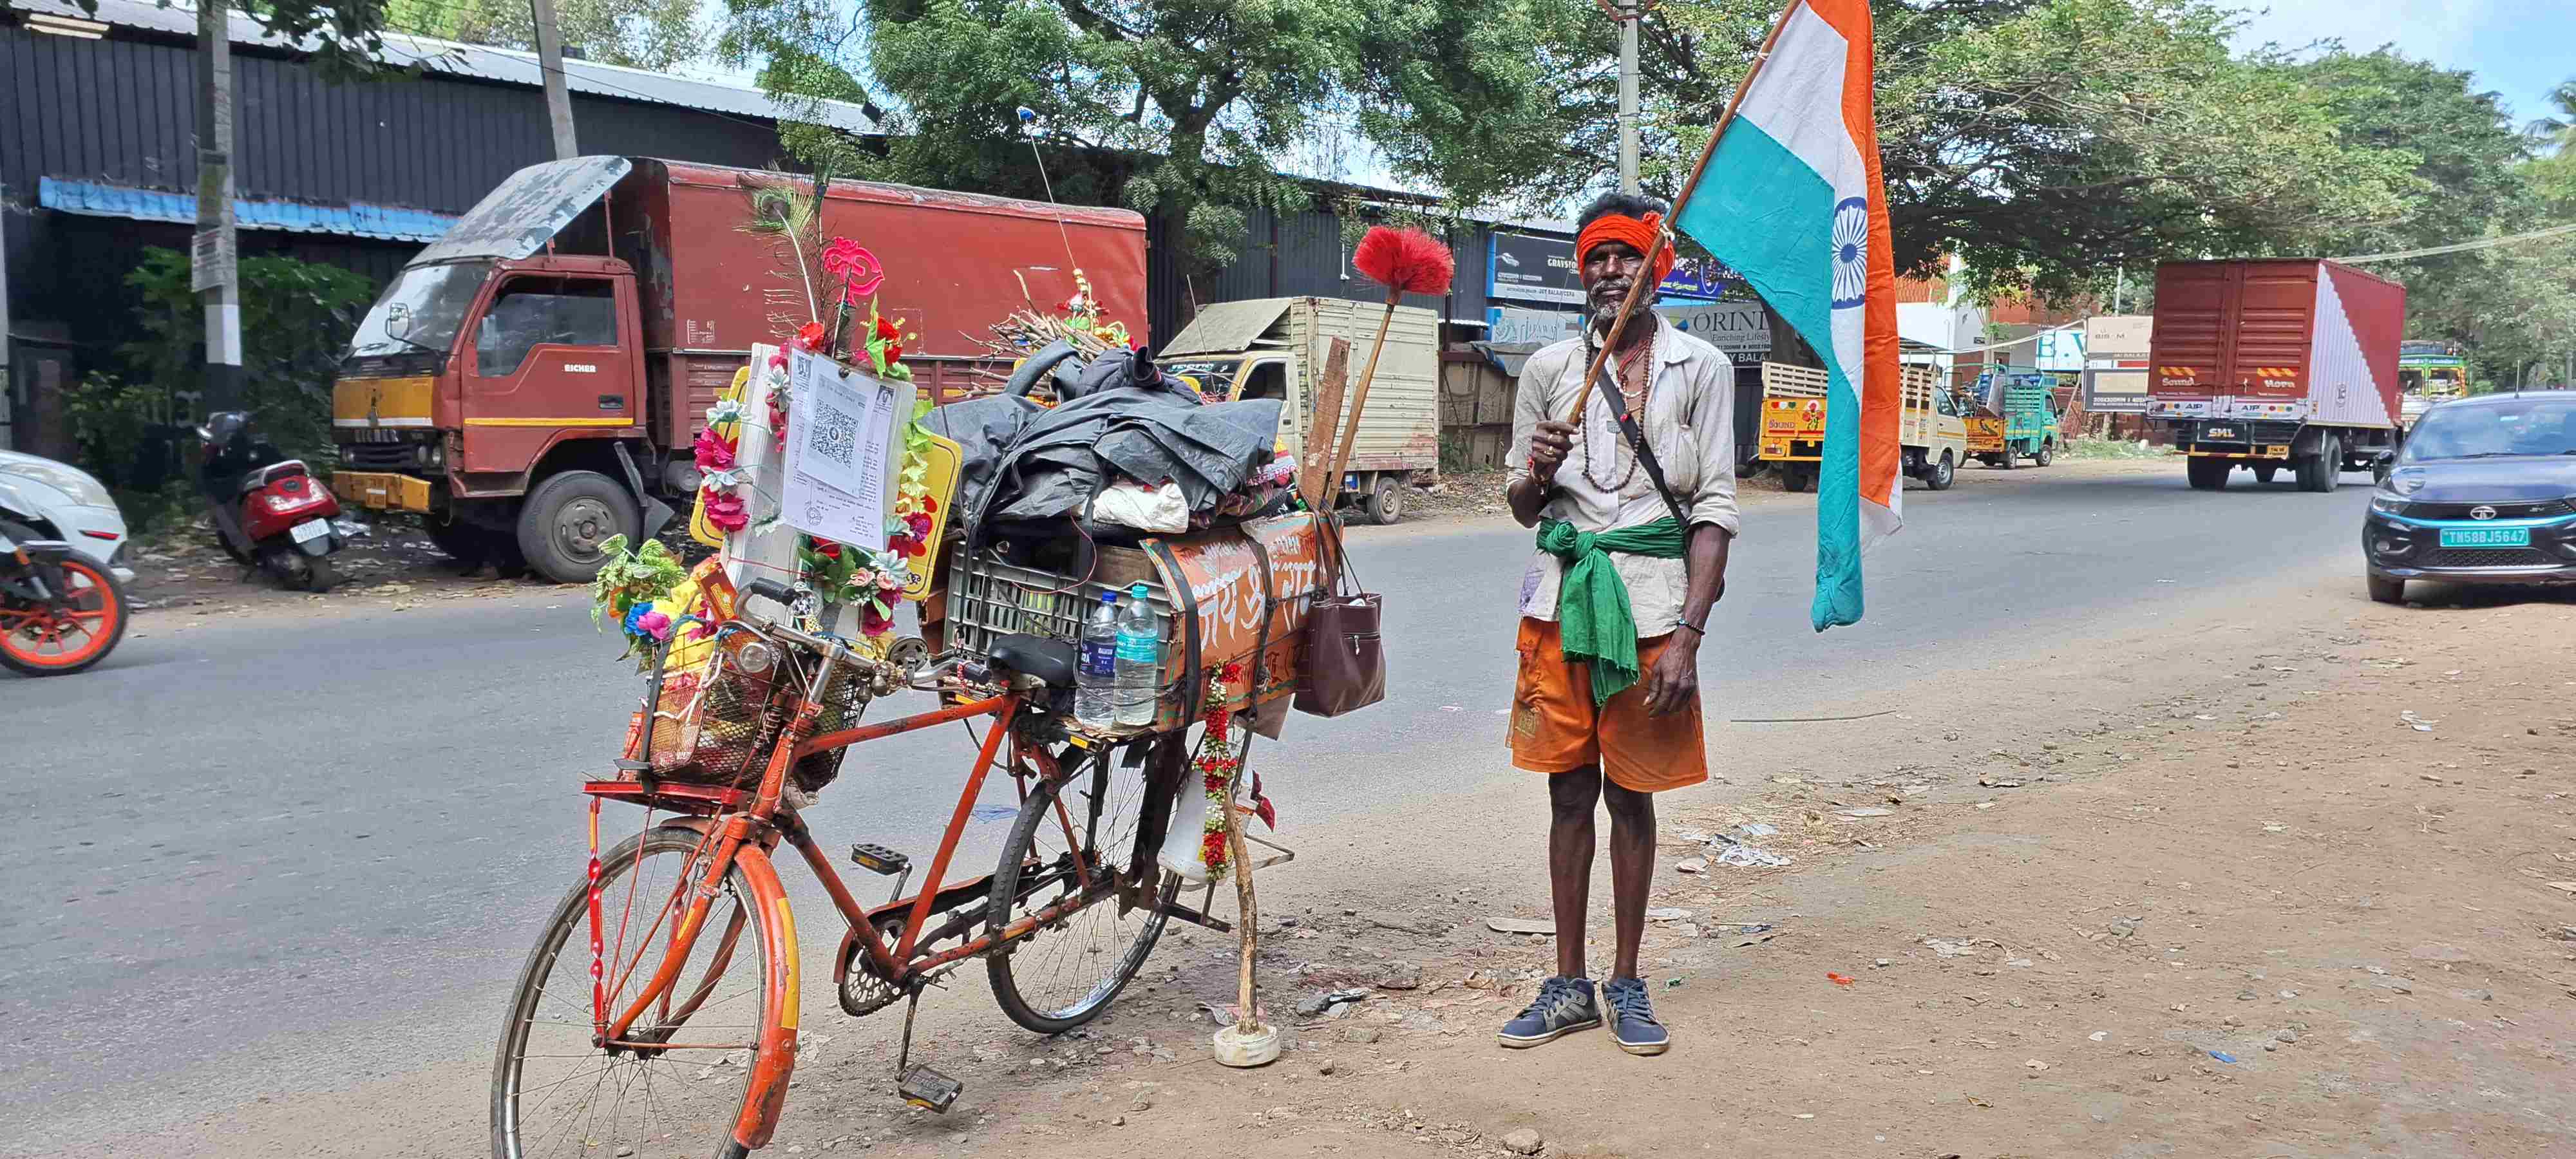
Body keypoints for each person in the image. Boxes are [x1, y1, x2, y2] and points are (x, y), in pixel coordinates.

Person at [1497, 191, 1739, 1056]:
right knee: (1568, 794)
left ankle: (1627, 983)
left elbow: (1711, 510)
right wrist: (1537, 468)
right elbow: (1525, 507)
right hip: (1562, 604)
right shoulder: (1550, 372)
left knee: (1630, 797)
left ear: (1656, 266)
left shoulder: (1700, 369)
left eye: (1625, 256)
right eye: (1595, 258)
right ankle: (1567, 986)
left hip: (1651, 612)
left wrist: (1690, 635)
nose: (1608, 273)